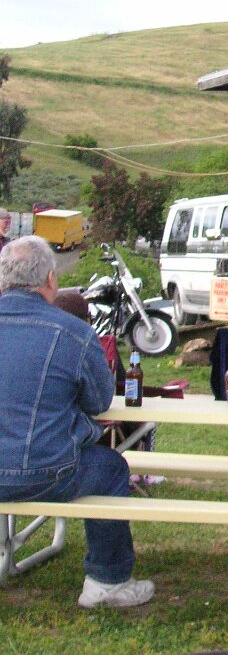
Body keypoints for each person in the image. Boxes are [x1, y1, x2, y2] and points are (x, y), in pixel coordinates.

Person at [0, 236, 154, 608]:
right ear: (50, 280)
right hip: (46, 473)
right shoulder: (74, 332)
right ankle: (107, 581)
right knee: (112, 467)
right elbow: (99, 402)